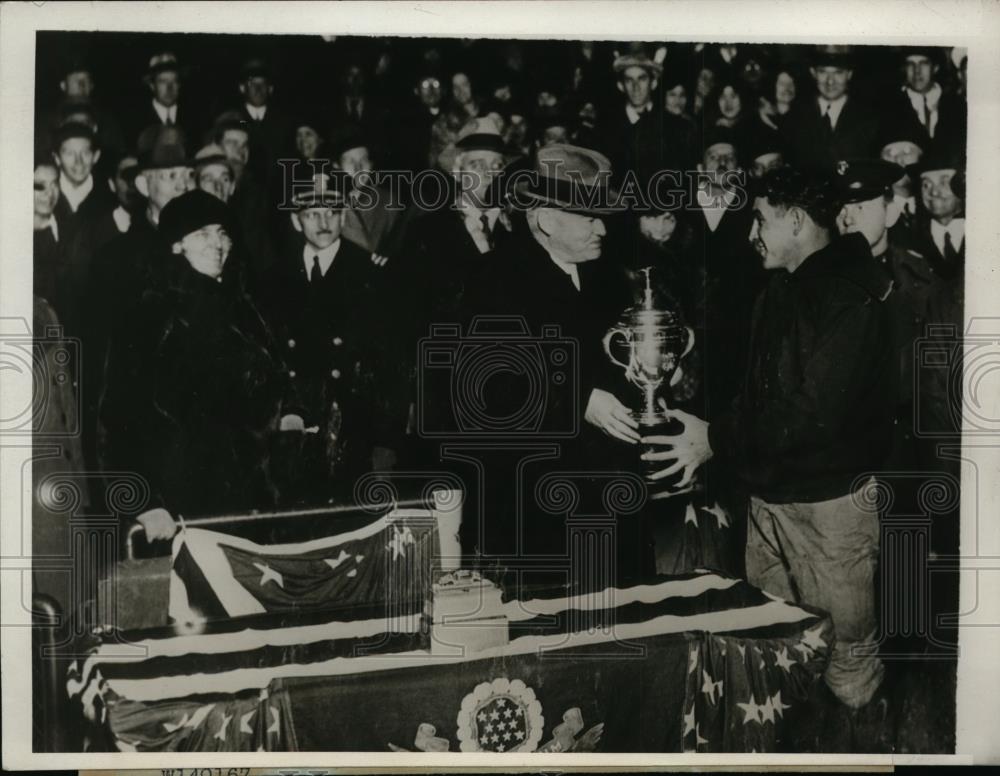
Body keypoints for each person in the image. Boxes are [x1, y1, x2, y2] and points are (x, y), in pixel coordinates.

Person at [645, 167, 896, 747]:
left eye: (760, 219)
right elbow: (756, 395)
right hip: (770, 500)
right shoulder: (783, 288)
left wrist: (716, 441)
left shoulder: (851, 293)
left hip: (829, 509)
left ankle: (858, 752)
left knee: (846, 661)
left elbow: (811, 415)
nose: (751, 233)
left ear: (797, 222)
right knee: (778, 653)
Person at [119, 190, 289, 541]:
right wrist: (146, 500)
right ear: (176, 246)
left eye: (222, 232)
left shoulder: (245, 304)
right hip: (184, 506)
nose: (217, 244)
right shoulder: (151, 312)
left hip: (255, 501)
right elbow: (120, 414)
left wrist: (292, 417)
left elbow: (278, 381)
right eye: (202, 234)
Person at [256, 176, 404, 505]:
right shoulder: (272, 280)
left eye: (333, 212)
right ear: (296, 220)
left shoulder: (372, 276)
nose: (324, 222)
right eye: (313, 214)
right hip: (291, 434)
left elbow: (390, 365)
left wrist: (385, 442)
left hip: (353, 434)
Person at [781, 46, 880, 171]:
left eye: (838, 72)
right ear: (813, 73)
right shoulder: (794, 117)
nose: (830, 81)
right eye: (823, 72)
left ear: (849, 74)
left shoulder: (870, 118)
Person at [127, 52, 198, 148]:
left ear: (179, 85)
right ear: (152, 86)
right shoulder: (135, 120)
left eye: (174, 81)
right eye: (163, 81)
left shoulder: (194, 117)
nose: (169, 88)